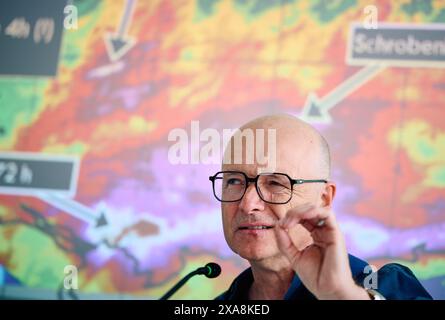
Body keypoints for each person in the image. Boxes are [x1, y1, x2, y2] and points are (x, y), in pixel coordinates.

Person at [210, 114, 432, 300]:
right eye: (234, 181)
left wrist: (341, 296)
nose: (248, 205)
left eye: (275, 183)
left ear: (324, 198)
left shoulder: (386, 288)